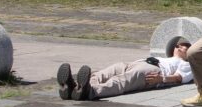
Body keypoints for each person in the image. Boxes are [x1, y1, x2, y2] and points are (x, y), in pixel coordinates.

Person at [56, 38, 193, 101]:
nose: (180, 47)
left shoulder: (186, 63)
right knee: (103, 73)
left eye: (185, 47)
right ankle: (74, 88)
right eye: (178, 45)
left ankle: (91, 91)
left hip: (154, 71)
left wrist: (161, 79)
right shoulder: (166, 57)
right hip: (138, 62)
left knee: (121, 81)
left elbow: (178, 78)